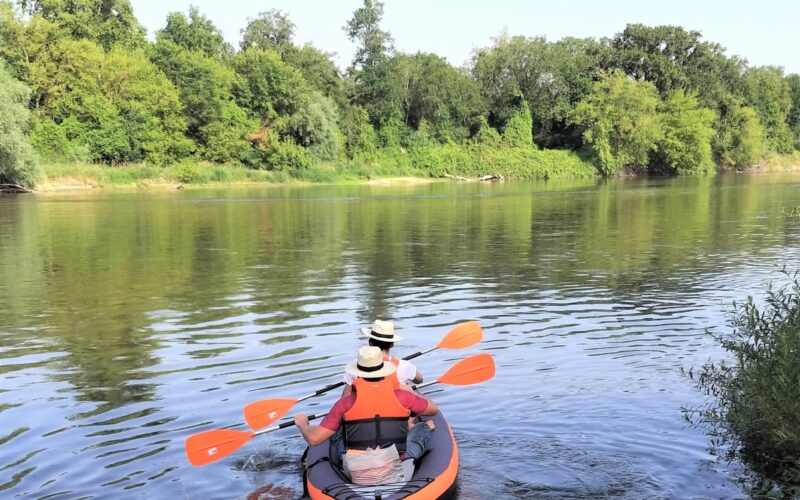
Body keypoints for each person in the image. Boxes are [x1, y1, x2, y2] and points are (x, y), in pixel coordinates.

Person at [294, 346, 437, 481]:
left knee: (338, 432)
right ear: (384, 371)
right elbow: (433, 409)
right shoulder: (402, 397)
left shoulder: (345, 403)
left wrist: (302, 425)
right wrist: (412, 392)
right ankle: (418, 430)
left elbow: (314, 439)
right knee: (424, 427)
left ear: (357, 373)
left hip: (357, 474)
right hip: (397, 468)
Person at [341, 319, 422, 397]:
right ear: (392, 344)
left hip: (366, 406)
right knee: (411, 388)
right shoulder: (403, 365)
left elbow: (345, 397)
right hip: (393, 406)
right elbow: (419, 380)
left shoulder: (355, 366)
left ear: (370, 343)